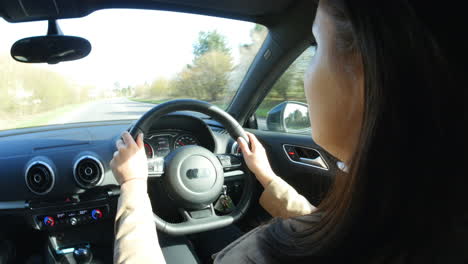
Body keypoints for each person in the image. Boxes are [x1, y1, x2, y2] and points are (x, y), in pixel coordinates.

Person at [110, 0, 467, 263]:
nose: (309, 71)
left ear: (367, 74)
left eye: (315, 47)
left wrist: (132, 186)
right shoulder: (417, 225)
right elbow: (319, 224)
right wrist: (265, 176)